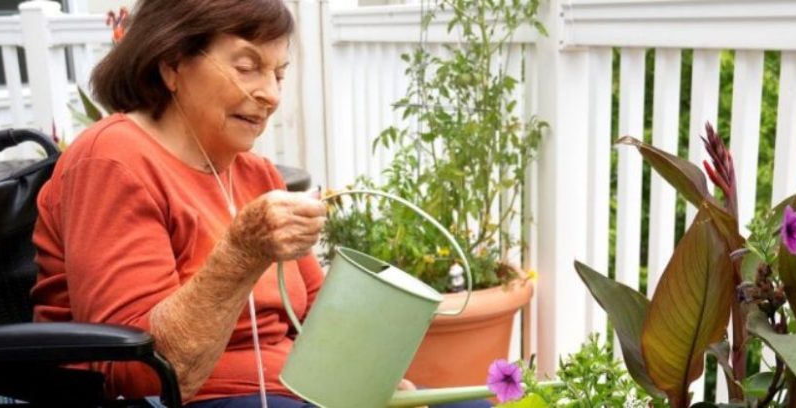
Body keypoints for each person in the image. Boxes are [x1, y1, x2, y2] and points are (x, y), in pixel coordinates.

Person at [30, 0, 490, 407]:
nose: (270, 94)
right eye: (248, 67)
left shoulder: (254, 173)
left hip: (290, 389)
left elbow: (315, 311)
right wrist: (240, 253)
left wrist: (374, 379)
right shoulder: (113, 160)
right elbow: (146, 377)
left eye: (279, 73)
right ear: (171, 64)